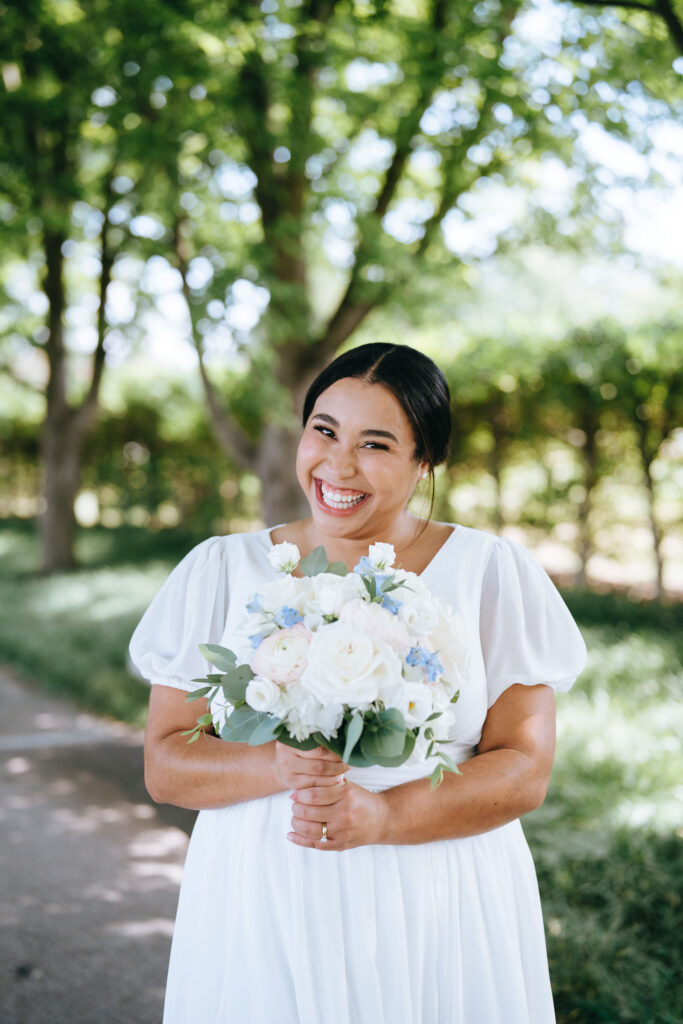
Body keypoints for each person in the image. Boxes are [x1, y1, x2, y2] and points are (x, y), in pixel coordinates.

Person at [130, 342, 586, 1024]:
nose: (337, 465)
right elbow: (166, 766)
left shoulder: (489, 573)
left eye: (374, 443)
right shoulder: (220, 569)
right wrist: (277, 765)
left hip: (439, 893)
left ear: (423, 459)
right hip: (264, 894)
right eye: (324, 430)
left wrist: (385, 817)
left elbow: (524, 769)